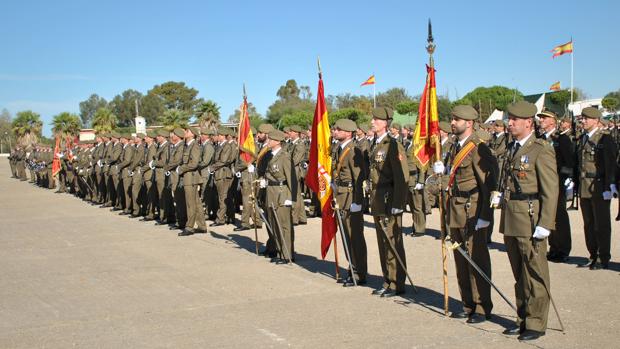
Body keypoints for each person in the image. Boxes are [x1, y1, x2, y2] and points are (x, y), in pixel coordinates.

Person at [500, 101, 558, 341]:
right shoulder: (512, 147)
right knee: (519, 272)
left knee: (534, 271)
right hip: (512, 215)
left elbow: (550, 190)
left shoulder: (540, 149)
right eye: (509, 119)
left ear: (528, 122)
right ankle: (522, 317)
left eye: (514, 120)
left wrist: (546, 223)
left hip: (531, 216)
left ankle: (536, 322)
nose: (509, 123)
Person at [442, 105, 497, 323]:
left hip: (472, 209)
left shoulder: (477, 148)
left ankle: (482, 306)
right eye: (453, 118)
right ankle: (467, 303)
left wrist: (485, 216)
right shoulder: (456, 146)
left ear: (469, 123)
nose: (452, 122)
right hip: (455, 207)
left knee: (476, 258)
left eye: (457, 119)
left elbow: (487, 185)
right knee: (460, 258)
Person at [368, 107, 409, 298]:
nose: (372, 122)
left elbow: (402, 177)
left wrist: (398, 202)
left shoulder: (393, 145)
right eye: (373, 119)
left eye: (376, 119)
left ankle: (396, 282)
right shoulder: (375, 144)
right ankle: (387, 279)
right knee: (382, 242)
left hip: (389, 198)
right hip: (377, 198)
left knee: (392, 241)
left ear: (386, 122)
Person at [574, 107, 618, 270]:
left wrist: (610, 185)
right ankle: (593, 253)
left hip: (599, 186)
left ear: (596, 120)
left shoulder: (605, 139)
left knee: (601, 223)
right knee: (588, 223)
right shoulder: (583, 138)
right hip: (585, 186)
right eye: (582, 119)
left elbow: (610, 164)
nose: (583, 121)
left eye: (586, 119)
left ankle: (603, 256)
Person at [332, 119, 368, 286]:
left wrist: (358, 202)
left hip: (350, 197)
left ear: (348, 132)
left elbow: (360, 178)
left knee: (355, 238)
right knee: (347, 236)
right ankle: (352, 268)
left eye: (338, 129)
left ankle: (358, 273)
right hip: (341, 196)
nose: (335, 131)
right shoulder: (339, 148)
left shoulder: (354, 151)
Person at [537, 110, 574, 263]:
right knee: (547, 216)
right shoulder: (539, 139)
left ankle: (563, 249)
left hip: (557, 183)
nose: (541, 120)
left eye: (544, 118)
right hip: (542, 183)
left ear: (553, 121)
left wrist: (565, 179)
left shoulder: (561, 139)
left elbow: (569, 162)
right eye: (540, 118)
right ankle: (553, 248)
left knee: (559, 217)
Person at [259, 129, 297, 262]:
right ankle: (279, 250)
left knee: (284, 225)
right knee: (274, 224)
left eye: (270, 139)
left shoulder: (284, 156)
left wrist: (291, 199)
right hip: (271, 192)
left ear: (276, 141)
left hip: (281, 193)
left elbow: (292, 178)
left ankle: (287, 254)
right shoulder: (270, 155)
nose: (267, 141)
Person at [178, 127, 207, 236]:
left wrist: (181, 169)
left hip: (191, 178)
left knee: (191, 204)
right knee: (197, 203)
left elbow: (194, 164)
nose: (185, 132)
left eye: (187, 131)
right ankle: (202, 226)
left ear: (192, 134)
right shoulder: (188, 145)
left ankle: (189, 227)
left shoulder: (194, 146)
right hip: (189, 177)